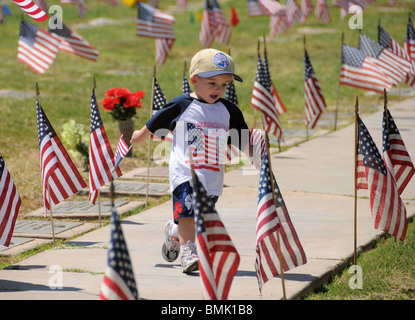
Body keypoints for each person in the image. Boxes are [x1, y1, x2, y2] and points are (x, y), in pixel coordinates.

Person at [130, 48, 255, 273]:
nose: (219, 90)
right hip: (185, 171)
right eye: (213, 83)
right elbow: (156, 122)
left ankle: (174, 232)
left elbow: (242, 138)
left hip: (212, 175)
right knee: (187, 210)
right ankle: (189, 253)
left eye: (224, 85)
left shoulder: (228, 110)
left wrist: (256, 157)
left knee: (200, 219)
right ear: (194, 80)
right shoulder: (182, 105)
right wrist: (139, 136)